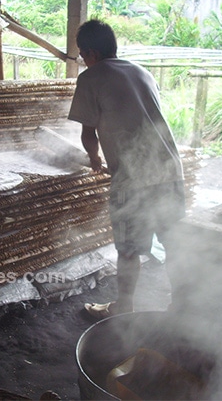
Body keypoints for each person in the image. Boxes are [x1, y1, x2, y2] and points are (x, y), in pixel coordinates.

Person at [68, 20, 186, 319]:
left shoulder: (91, 77)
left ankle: (124, 308)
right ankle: (183, 310)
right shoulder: (141, 71)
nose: (82, 58)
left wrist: (95, 160)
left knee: (129, 249)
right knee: (175, 243)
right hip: (170, 170)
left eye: (82, 53)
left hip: (133, 179)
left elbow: (88, 134)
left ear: (91, 52)